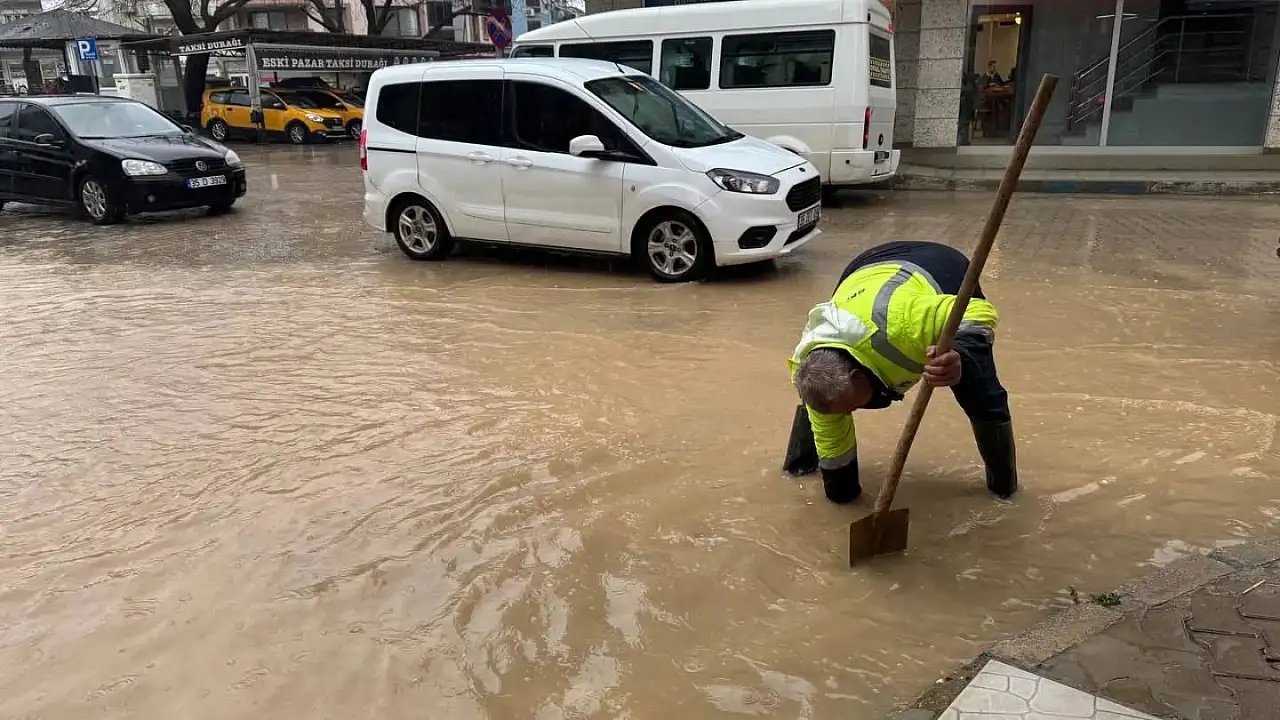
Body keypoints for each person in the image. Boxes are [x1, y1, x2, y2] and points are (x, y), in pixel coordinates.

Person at [783, 241, 1018, 504]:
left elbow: (978, 311)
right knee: (824, 413)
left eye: (850, 408)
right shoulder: (810, 367)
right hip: (864, 271)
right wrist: (842, 499)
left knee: (980, 392)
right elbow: (833, 443)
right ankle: (798, 470)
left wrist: (960, 354)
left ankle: (1004, 492)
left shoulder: (903, 322)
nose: (849, 414)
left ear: (856, 376)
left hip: (940, 266)